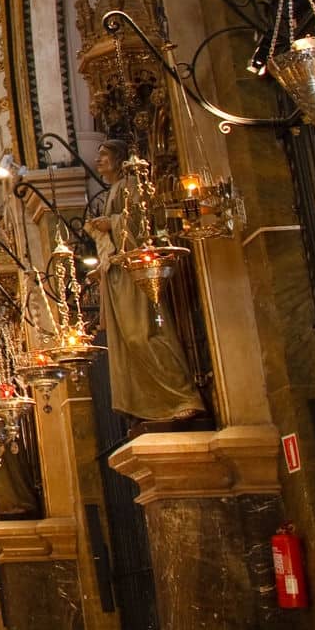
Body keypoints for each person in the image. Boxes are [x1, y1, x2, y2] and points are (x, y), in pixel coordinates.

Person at [88, 139, 206, 426]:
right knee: (129, 340)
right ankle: (149, 405)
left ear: (119, 159)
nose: (98, 160)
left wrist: (110, 224)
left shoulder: (130, 185)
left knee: (146, 332)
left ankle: (182, 397)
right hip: (119, 273)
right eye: (99, 155)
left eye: (104, 155)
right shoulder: (113, 190)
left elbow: (142, 223)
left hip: (136, 269)